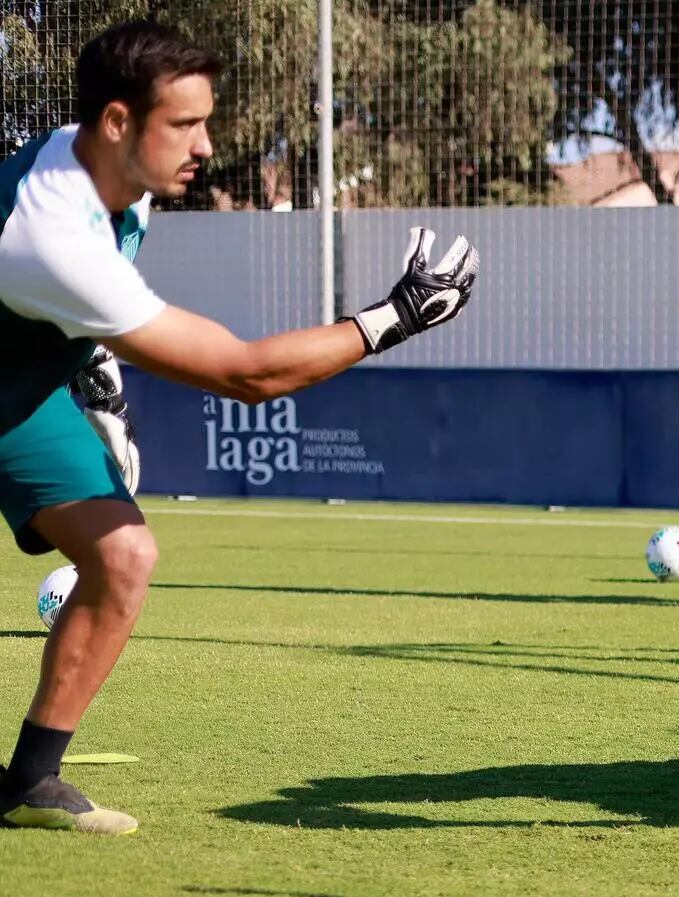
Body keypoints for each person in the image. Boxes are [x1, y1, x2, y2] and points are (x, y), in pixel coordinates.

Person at [0, 21, 480, 833]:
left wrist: (89, 361)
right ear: (117, 122)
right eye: (184, 125)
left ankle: (28, 782)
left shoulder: (116, 173)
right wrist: (390, 319)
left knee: (125, 556)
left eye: (206, 121)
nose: (206, 145)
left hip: (19, 385)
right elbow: (243, 374)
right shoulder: (47, 232)